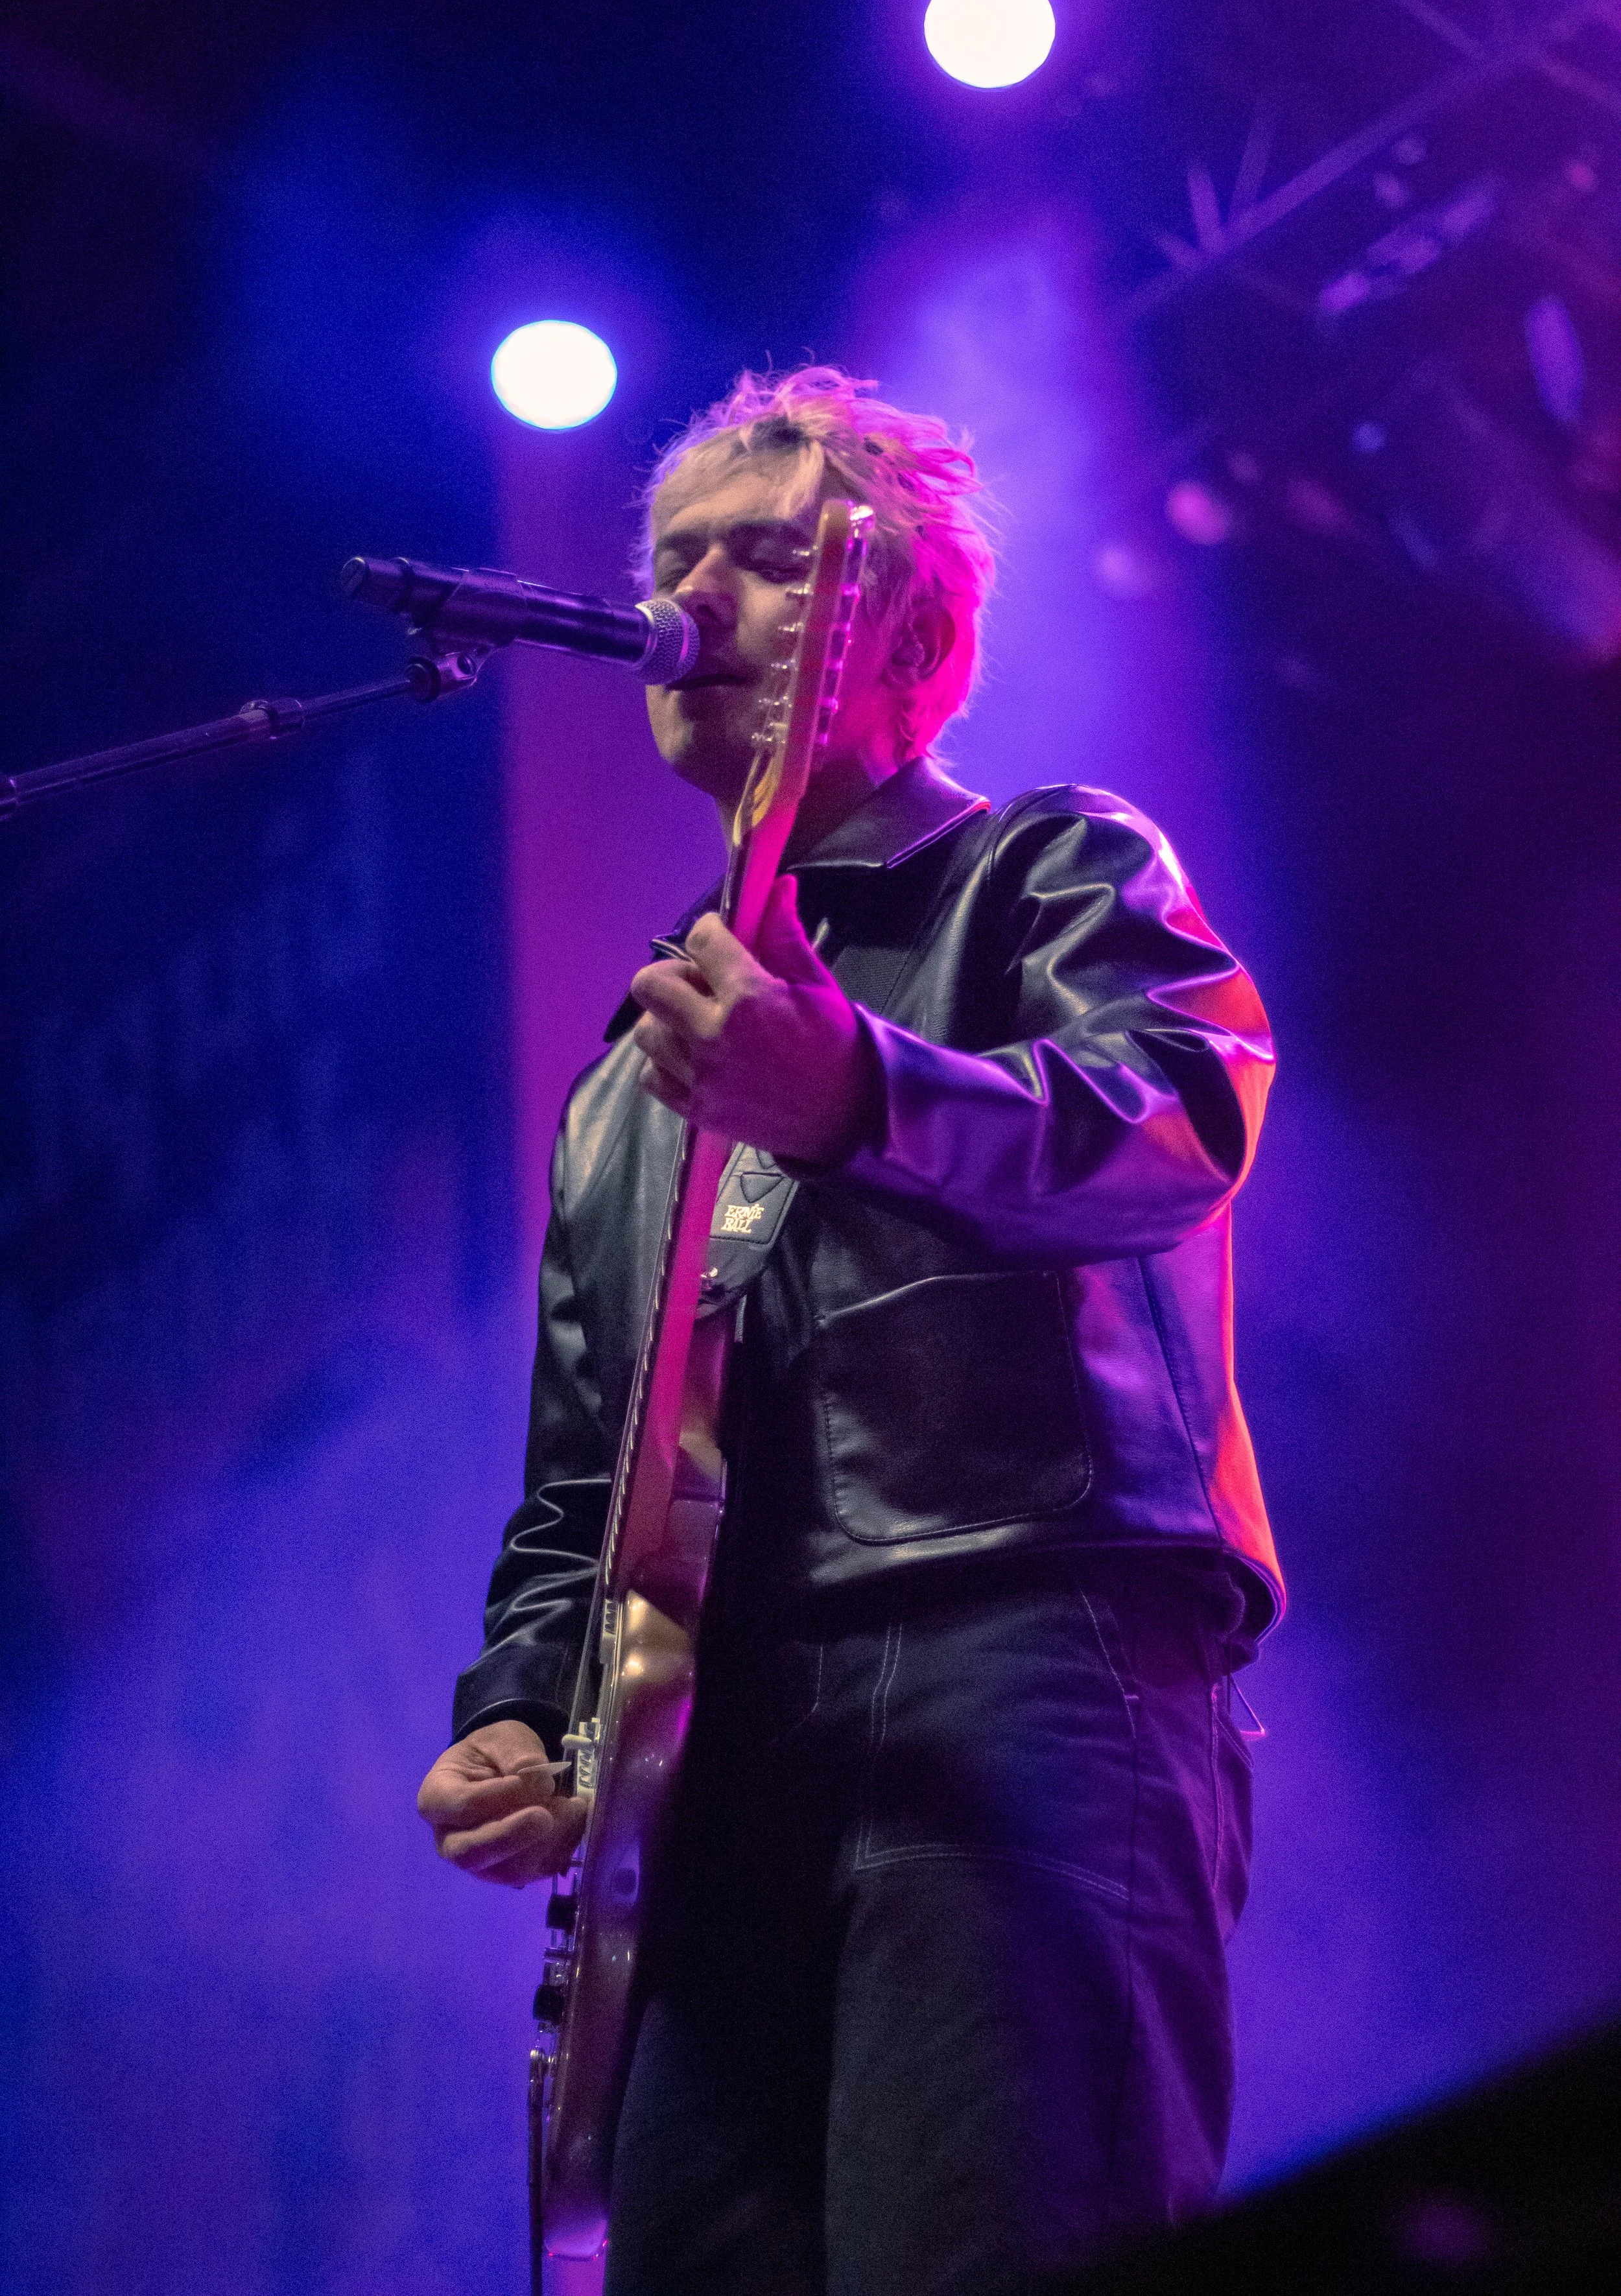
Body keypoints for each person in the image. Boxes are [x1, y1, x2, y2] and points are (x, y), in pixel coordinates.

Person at [416, 366, 1283, 2296]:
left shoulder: (1047, 865)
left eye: (763, 556)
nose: (691, 601)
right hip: (707, 1765)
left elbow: (1180, 1120)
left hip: (1016, 1654)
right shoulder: (624, 1083)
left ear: (906, 625)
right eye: (669, 563)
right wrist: (518, 1708)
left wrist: (859, 1092)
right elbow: (584, 1480)